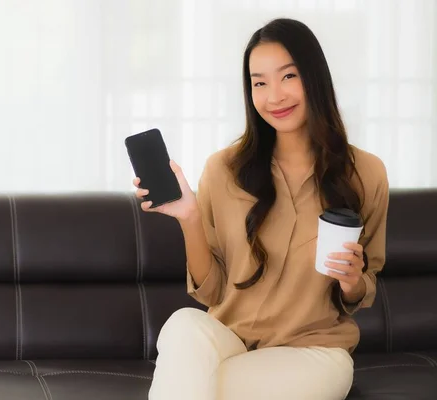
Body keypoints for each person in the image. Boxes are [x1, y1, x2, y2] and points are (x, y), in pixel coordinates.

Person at [133, 18, 389, 400]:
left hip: (313, 354)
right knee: (184, 325)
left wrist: (352, 279)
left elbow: (364, 289)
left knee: (201, 383)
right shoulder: (223, 170)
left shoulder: (365, 173)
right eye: (259, 82)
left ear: (314, 77)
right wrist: (189, 218)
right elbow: (212, 291)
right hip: (231, 339)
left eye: (288, 76)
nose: (275, 96)